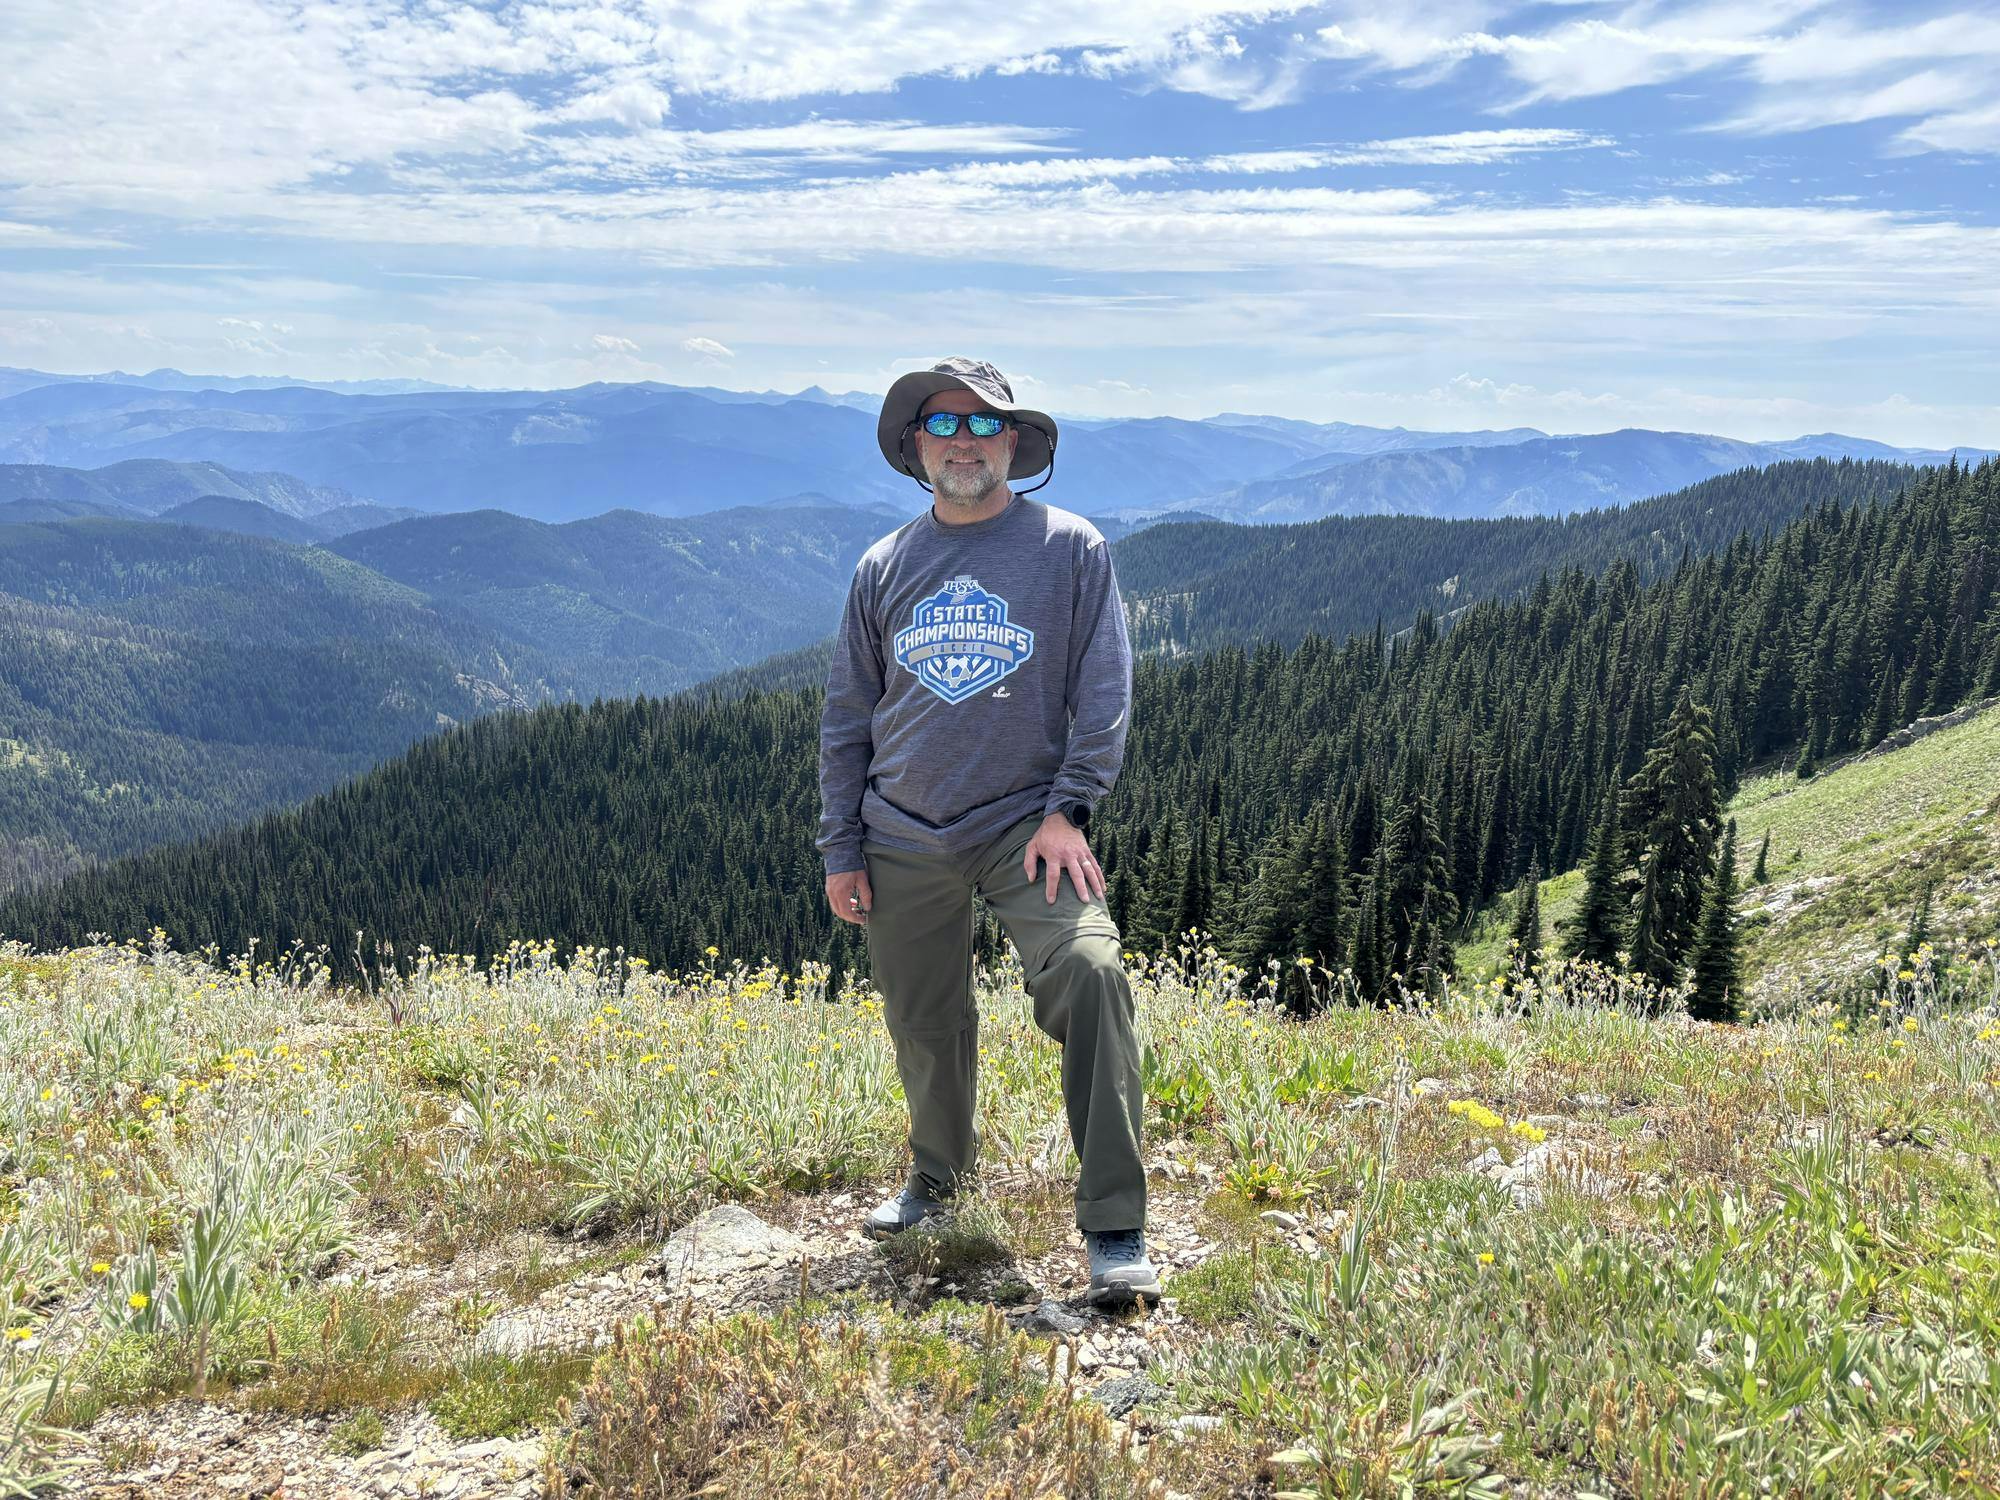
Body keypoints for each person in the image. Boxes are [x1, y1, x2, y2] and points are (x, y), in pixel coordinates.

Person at [815, 356, 1157, 1307]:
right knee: (923, 1022)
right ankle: (937, 1182)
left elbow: (1105, 692)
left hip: (1025, 827)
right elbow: (847, 719)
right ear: (916, 446)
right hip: (900, 828)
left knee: (1091, 971)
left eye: (981, 424)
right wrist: (841, 846)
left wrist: (1069, 808)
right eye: (942, 424)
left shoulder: (1071, 549)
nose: (962, 442)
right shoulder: (882, 566)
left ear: (1014, 440)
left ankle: (1115, 1223)